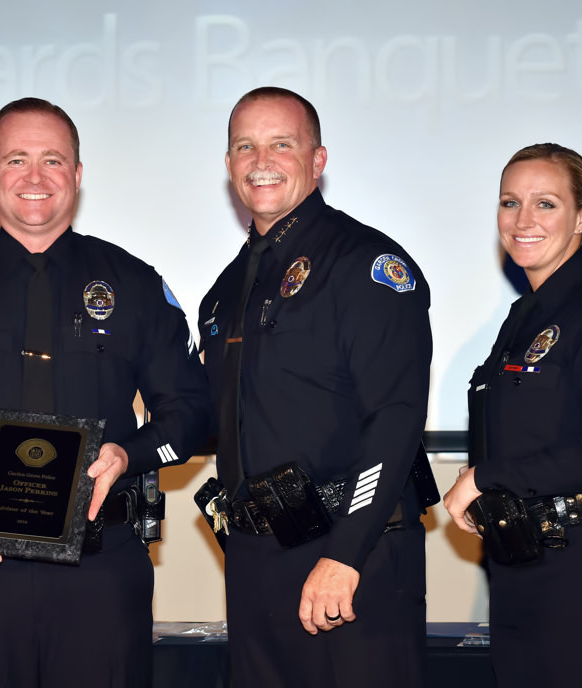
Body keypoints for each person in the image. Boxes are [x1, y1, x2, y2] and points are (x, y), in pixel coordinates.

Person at [0, 97, 210, 688]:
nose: (35, 178)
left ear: (78, 175)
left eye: (53, 160)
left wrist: (127, 455)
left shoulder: (133, 284)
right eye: (16, 160)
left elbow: (190, 413)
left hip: (100, 569)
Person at [198, 87, 433, 686]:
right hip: (255, 562)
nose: (261, 160)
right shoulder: (225, 293)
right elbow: (213, 418)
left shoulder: (365, 264)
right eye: (245, 146)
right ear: (229, 167)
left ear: (318, 159)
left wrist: (346, 550)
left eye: (282, 143)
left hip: (350, 555)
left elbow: (397, 416)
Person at [443, 143, 582, 687]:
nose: (523, 221)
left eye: (546, 204)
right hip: (521, 570)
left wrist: (485, 478)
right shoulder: (523, 317)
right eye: (509, 202)